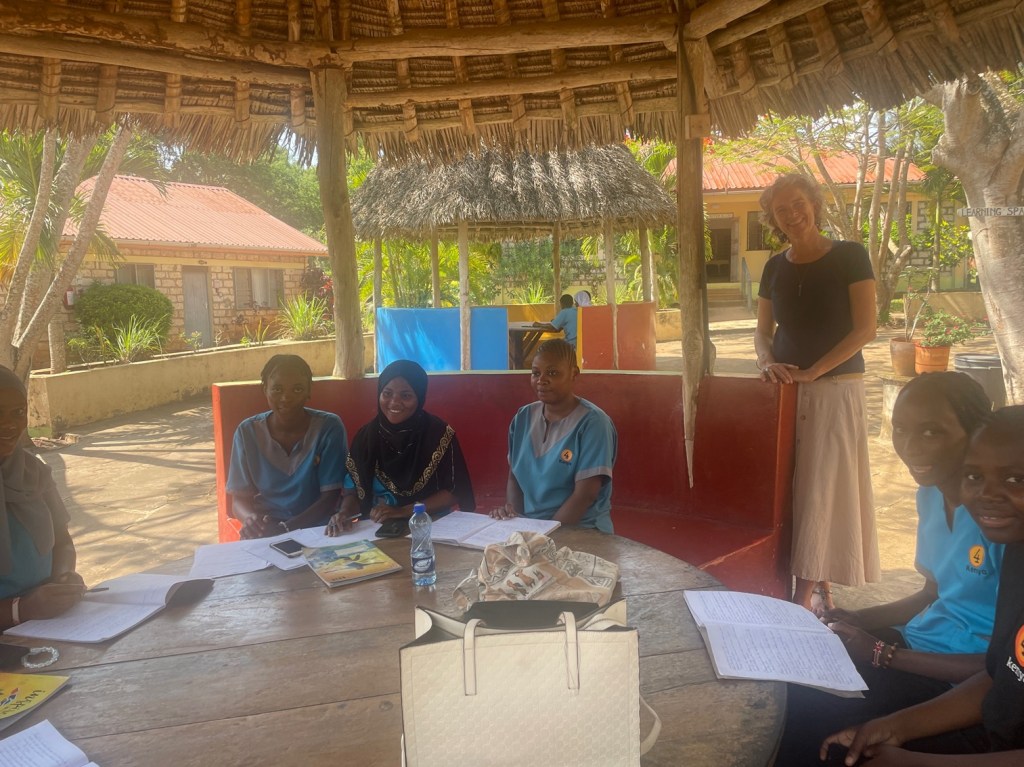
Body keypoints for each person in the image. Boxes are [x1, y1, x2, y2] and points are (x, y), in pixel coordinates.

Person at [777, 372, 1000, 765]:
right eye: (900, 429)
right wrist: (859, 619)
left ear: (976, 432)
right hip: (916, 643)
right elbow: (933, 592)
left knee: (820, 727)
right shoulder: (930, 496)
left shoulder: (999, 520)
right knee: (787, 687)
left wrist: (882, 653)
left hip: (957, 684)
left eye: (931, 432)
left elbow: (1001, 671)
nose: (910, 447)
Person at [821, 406, 1024, 765]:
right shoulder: (1017, 555)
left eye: (1015, 479)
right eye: (974, 476)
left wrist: (920, 762)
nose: (987, 494)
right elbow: (1003, 677)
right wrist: (895, 727)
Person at [754, 173, 879, 611]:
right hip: (785, 394)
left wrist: (814, 372)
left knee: (821, 489)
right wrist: (766, 362)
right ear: (773, 220)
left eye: (798, 204)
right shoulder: (774, 267)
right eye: (781, 210)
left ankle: (801, 599)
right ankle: (818, 583)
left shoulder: (850, 256)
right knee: (794, 488)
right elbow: (762, 332)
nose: (792, 214)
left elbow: (866, 329)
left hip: (836, 390)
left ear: (814, 204)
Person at [325, 359, 474, 533]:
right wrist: (344, 513)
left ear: (420, 397)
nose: (394, 402)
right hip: (376, 528)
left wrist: (403, 511)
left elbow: (454, 491)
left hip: (429, 524)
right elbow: (353, 492)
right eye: (387, 394)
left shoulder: (438, 434)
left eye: (406, 396)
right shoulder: (366, 438)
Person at [491, 339, 617, 532]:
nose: (541, 380)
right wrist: (516, 522)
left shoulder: (593, 423)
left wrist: (544, 536)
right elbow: (514, 478)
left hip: (581, 531)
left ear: (574, 374)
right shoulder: (522, 418)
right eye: (536, 373)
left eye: (552, 373)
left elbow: (585, 495)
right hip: (533, 530)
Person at [0, 365, 85, 630]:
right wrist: (21, 609)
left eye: (18, 412)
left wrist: (63, 578)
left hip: (48, 624)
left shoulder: (32, 472)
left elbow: (62, 542)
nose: (9, 424)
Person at [227, 354, 346, 538]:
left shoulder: (328, 428)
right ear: (265, 390)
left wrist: (285, 529)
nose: (286, 398)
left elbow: (330, 498)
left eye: (297, 389)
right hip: (265, 528)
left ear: (309, 391)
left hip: (318, 528)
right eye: (277, 389)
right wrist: (251, 520)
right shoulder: (247, 432)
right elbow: (239, 500)